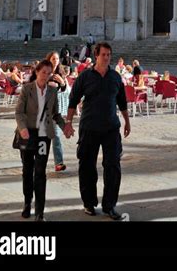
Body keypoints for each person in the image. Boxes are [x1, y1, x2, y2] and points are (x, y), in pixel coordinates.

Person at [64, 42, 130, 220]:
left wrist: (127, 122)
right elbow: (73, 100)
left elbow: (122, 102)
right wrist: (68, 122)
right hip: (89, 127)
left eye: (109, 54)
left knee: (113, 166)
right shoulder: (85, 77)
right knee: (87, 166)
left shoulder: (116, 77)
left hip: (111, 128)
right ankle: (89, 203)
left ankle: (110, 205)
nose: (107, 57)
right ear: (96, 55)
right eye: (104, 54)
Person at [15, 58, 71, 221]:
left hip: (43, 137)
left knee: (40, 172)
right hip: (26, 135)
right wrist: (22, 128)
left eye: (48, 73)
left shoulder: (53, 91)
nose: (45, 76)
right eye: (43, 72)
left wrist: (65, 126)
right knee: (27, 171)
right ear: (37, 72)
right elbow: (19, 112)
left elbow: (55, 114)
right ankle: (27, 203)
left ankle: (40, 212)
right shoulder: (27, 89)